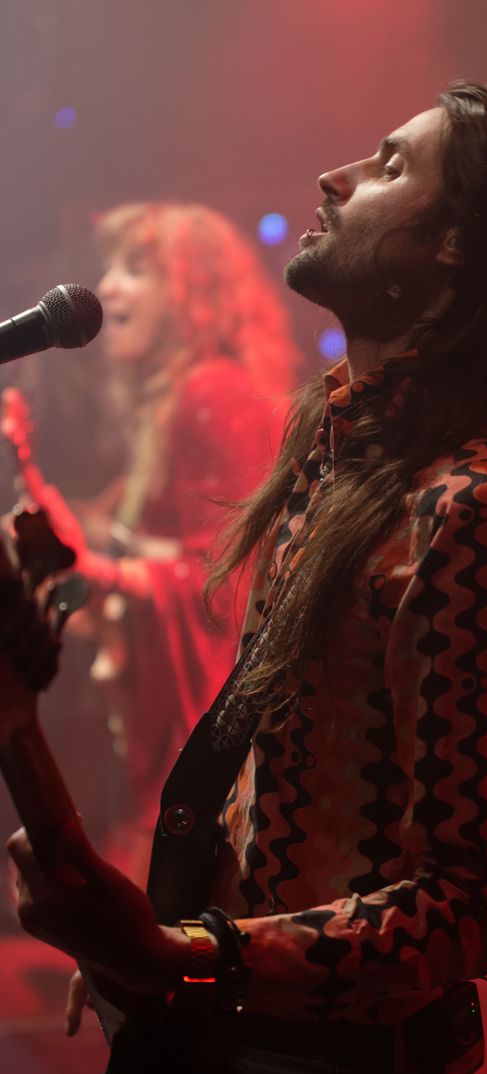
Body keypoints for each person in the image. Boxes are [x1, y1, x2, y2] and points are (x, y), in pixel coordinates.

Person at [4, 84, 487, 1074]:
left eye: (390, 165)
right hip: (244, 1029)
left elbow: (473, 904)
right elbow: (273, 773)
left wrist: (186, 958)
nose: (335, 177)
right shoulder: (341, 451)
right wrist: (166, 941)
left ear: (455, 246)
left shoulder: (475, 503)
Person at [7, 202, 297, 881]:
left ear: (194, 295)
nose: (108, 285)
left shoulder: (211, 393)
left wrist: (107, 574)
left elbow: (229, 578)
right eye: (111, 267)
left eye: (136, 270)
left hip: (200, 708)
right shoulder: (177, 398)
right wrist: (24, 466)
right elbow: (126, 539)